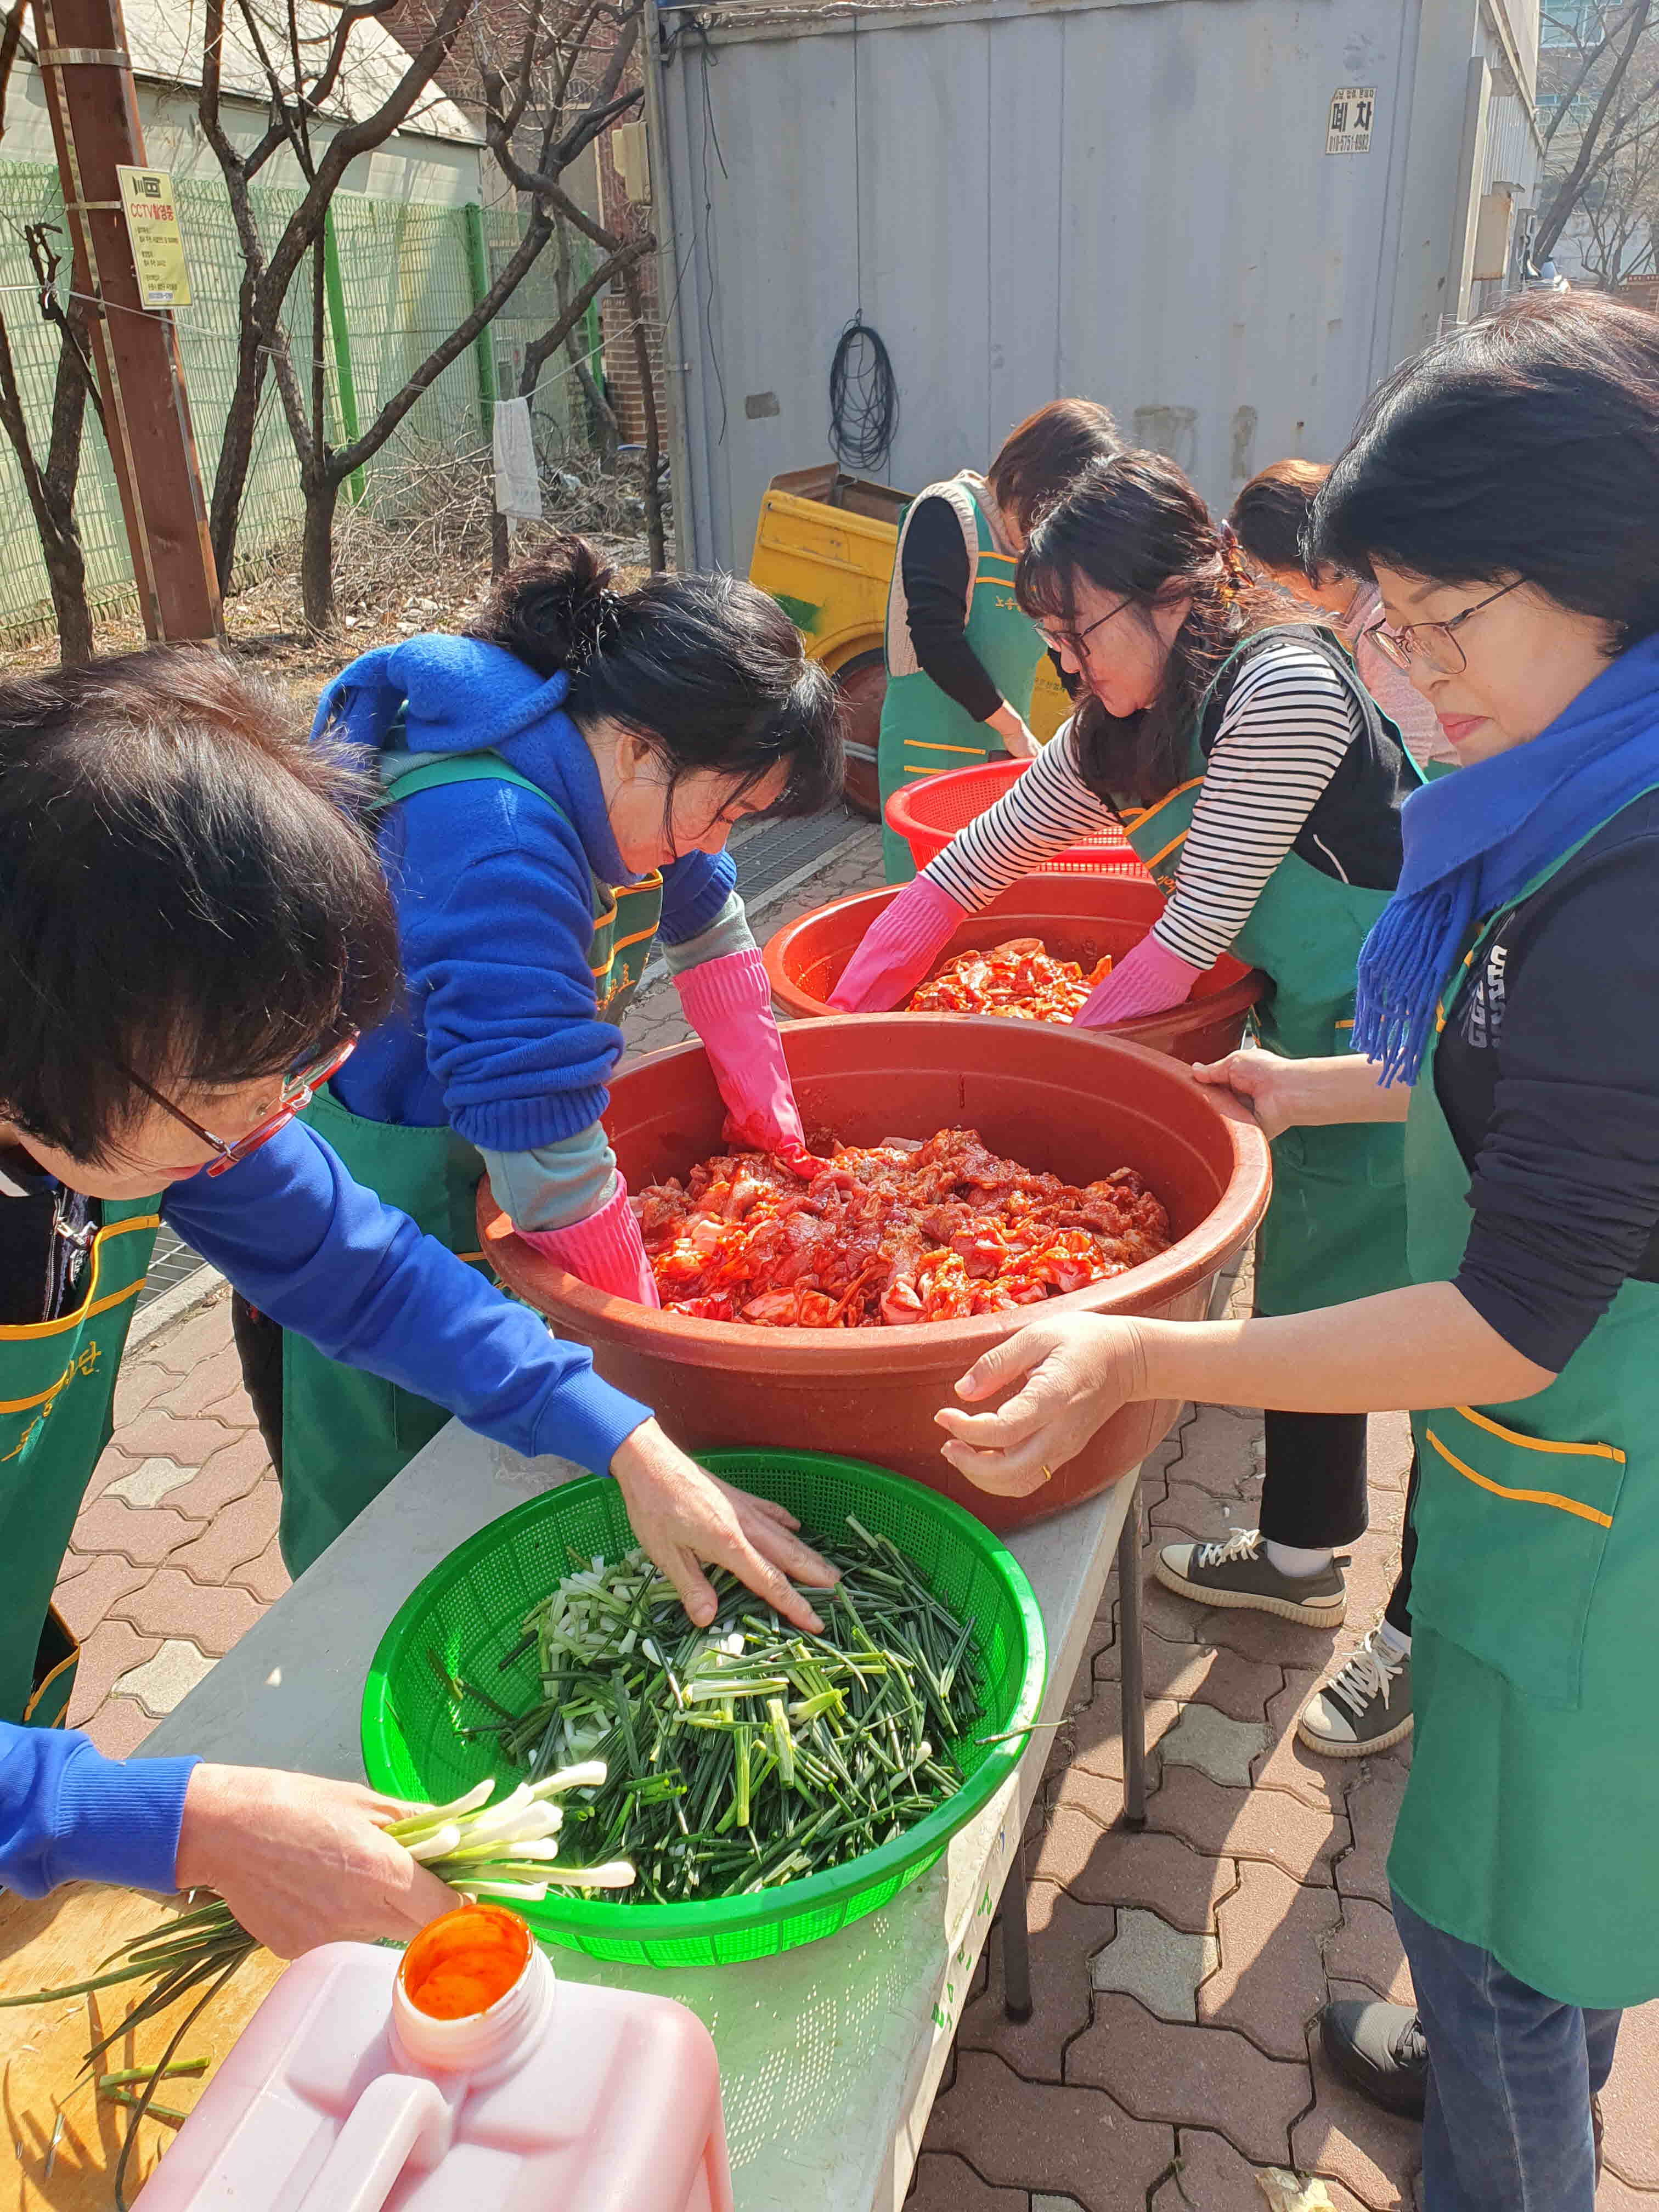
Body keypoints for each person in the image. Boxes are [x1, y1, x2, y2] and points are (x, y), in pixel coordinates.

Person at [934, 290, 1659, 2210]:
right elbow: (1482, 1068)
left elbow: (1510, 1315)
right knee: (1529, 1911)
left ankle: (1510, 2155)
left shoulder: (1630, 879)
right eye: (1386, 627)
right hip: (1548, 1488)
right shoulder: (1568, 792)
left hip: (1607, 1506)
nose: (1409, 680)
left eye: (1438, 620)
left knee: (1510, 1935)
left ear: (1607, 571)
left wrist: (1149, 1358)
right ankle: (1504, 2075)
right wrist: (1298, 1084)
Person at [1, 648, 836, 1913]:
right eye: (232, 1106)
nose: (267, 1134)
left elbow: (369, 1277)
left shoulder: (133, 1100)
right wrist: (169, 1818)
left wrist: (622, 1438)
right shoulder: (110, 1080)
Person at [836, 451, 1420, 1748]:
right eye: (1047, 634)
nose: (1063, 662)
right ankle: (1304, 1552)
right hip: (1317, 1026)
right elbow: (989, 849)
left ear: (1176, 592)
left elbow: (1188, 932)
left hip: (1419, 1024)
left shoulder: (1277, 686)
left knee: (1445, 1323)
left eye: (1077, 629)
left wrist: (1014, 1085)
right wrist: (892, 955)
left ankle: (1423, 1633)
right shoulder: (1123, 719)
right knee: (1320, 1285)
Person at [230, 541, 843, 1577]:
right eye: (728, 806)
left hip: (499, 1162)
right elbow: (549, 1144)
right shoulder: (496, 835)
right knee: (393, 1492)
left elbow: (713, 928)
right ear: (646, 749)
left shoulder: (621, 775)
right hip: (391, 1184)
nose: (716, 838)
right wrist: (649, 1371)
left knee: (503, 1423)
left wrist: (771, 1125)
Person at [877, 398, 1119, 881]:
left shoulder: (1035, 549)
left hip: (1002, 756)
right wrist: (1010, 729)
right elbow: (935, 638)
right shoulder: (948, 511)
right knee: (925, 893)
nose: (1041, 533)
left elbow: (1059, 646)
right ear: (1021, 478)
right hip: (930, 748)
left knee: (992, 897)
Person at [1227, 459, 1460, 776]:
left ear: (1320, 562)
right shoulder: (1394, 590)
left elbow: (1405, 759)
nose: (1294, 597)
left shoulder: (1385, 624)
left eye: (1285, 582)